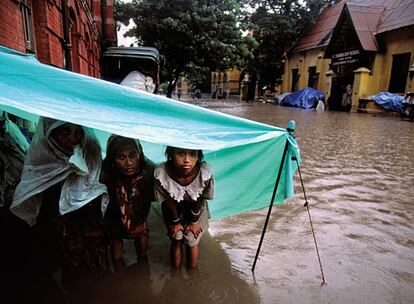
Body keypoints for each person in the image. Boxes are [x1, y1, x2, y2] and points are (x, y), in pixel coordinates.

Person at [10, 118, 109, 283]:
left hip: (86, 233)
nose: (73, 138)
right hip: (56, 233)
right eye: (65, 132)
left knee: (93, 275)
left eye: (78, 132)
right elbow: (34, 197)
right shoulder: (41, 161)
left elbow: (94, 194)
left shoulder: (89, 155)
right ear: (49, 134)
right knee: (66, 274)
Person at [154, 146, 214, 269]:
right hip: (172, 208)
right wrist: (175, 222)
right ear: (171, 154)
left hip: (197, 208)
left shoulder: (204, 172)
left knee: (192, 239)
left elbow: (201, 198)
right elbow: (168, 201)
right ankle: (175, 273)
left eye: (193, 154)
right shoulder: (161, 173)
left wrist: (194, 221)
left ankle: (192, 274)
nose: (187, 160)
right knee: (177, 237)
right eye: (180, 153)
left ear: (198, 155)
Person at [101, 135, 155, 270]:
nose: (129, 163)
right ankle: (120, 279)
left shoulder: (149, 171)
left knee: (142, 241)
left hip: (139, 211)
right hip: (115, 213)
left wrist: (141, 222)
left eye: (132, 156)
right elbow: (108, 203)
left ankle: (143, 273)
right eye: (121, 157)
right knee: (116, 247)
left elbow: (148, 200)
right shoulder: (106, 172)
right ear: (113, 159)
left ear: (139, 154)